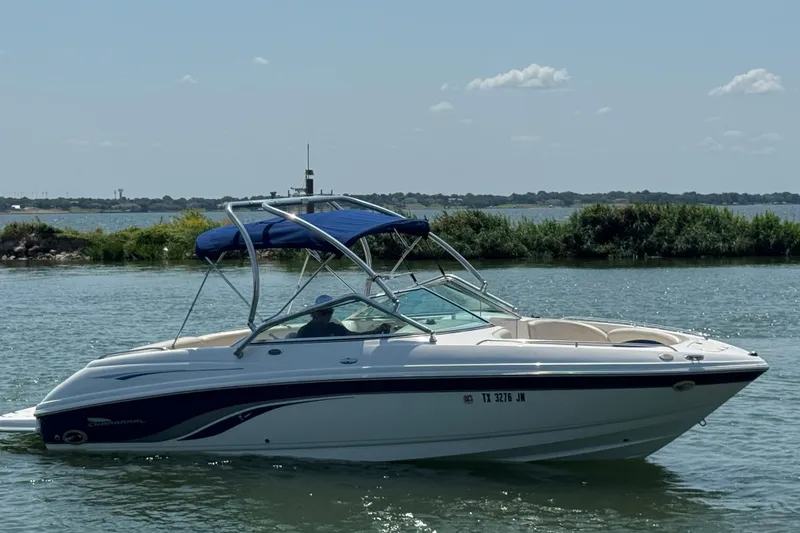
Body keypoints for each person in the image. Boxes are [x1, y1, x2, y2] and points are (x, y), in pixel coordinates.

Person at [296, 295, 393, 339]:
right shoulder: (304, 331)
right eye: (323, 313)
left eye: (330, 312)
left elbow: (355, 336)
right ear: (314, 313)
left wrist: (378, 330)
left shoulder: (335, 327)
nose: (328, 316)